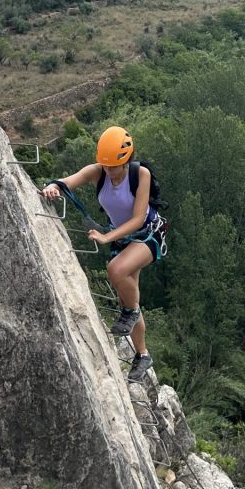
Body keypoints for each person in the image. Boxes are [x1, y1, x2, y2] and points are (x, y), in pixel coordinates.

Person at [41, 126, 167, 384]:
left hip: (148, 234)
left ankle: (131, 313)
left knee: (116, 270)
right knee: (128, 298)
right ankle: (142, 354)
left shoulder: (140, 174)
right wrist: (53, 186)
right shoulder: (98, 172)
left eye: (114, 166)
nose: (109, 170)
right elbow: (68, 181)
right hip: (123, 239)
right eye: (106, 165)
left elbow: (138, 218)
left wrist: (107, 237)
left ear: (126, 160)